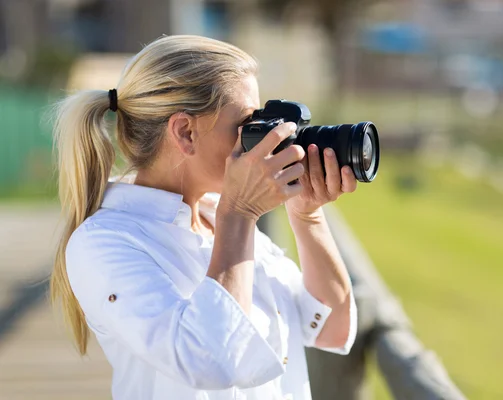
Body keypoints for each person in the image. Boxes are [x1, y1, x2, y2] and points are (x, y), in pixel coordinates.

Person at [50, 35, 357, 400]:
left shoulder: (218, 216)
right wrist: (239, 214)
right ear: (185, 132)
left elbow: (332, 329)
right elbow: (207, 359)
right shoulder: (103, 242)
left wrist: (307, 216)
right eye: (248, 122)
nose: (261, 138)